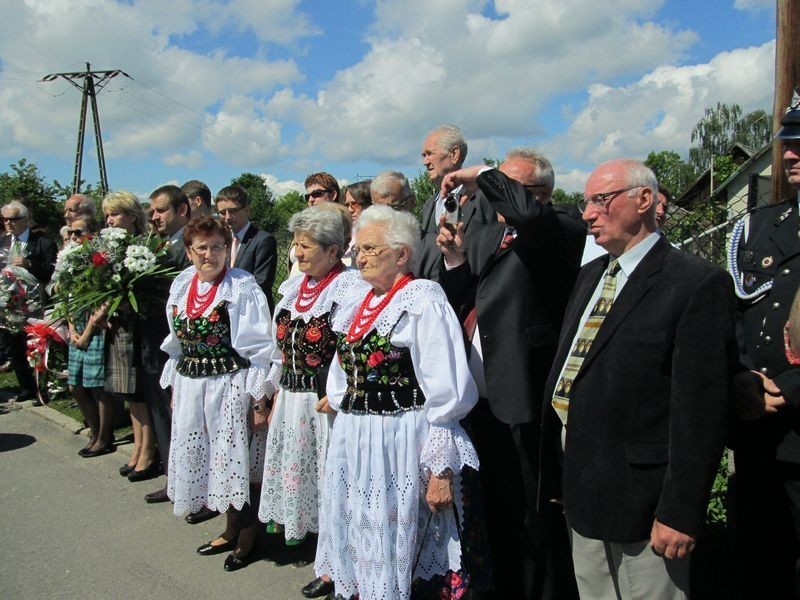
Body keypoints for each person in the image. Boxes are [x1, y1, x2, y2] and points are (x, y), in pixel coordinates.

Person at [542, 159, 737, 599]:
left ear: (644, 199)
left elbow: (700, 414)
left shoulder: (696, 284)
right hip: (584, 488)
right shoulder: (591, 276)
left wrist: (681, 511)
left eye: (601, 200)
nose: (588, 213)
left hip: (645, 503)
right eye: (585, 203)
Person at [437, 148, 582, 598]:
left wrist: (482, 174)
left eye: (506, 188)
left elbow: (524, 213)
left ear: (539, 192)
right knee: (494, 509)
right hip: (479, 395)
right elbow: (462, 298)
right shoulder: (486, 233)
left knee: (532, 517)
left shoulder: (560, 225)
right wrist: (455, 261)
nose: (495, 202)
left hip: (523, 390)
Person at [314, 205, 479, 600]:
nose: (360, 257)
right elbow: (342, 371)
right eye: (359, 249)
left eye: (370, 248)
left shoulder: (422, 298)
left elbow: (447, 384)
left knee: (403, 530)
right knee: (360, 524)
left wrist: (440, 470)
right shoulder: (360, 299)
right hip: (356, 437)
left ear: (402, 254)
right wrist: (339, 401)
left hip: (401, 437)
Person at [257, 206, 366, 597]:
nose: (296, 254)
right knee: (303, 478)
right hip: (292, 400)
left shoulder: (351, 289)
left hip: (326, 405)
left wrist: (337, 394)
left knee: (335, 483)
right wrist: (268, 394)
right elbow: (277, 349)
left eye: (305, 247)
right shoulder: (292, 289)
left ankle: (339, 568)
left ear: (334, 250)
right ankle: (321, 555)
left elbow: (353, 348)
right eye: (295, 245)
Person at [160, 215, 275, 572]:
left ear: (228, 249)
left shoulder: (241, 287)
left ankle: (248, 535)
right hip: (192, 385)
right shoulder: (182, 284)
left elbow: (260, 349)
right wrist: (177, 385)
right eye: (202, 248)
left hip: (229, 386)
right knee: (211, 461)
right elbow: (176, 343)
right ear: (189, 250)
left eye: (217, 247)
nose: (209, 254)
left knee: (233, 461)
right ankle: (229, 527)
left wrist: (259, 399)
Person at [728, 104, 800, 599]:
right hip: (756, 422)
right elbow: (735, 313)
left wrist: (788, 389)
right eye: (787, 145)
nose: (790, 154)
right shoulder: (760, 225)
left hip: (793, 413)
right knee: (756, 558)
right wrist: (740, 378)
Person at [101, 191, 160, 482]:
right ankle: (137, 448)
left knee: (140, 392)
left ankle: (148, 452)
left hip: (140, 327)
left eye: (115, 214)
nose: (109, 220)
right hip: (122, 326)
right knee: (129, 394)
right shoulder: (112, 250)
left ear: (132, 216)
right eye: (107, 215)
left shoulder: (144, 247)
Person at [142, 185, 192, 504]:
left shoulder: (188, 246)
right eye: (152, 211)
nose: (154, 216)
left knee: (178, 417)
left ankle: (182, 481)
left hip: (175, 344)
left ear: (181, 210)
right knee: (161, 411)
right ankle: (171, 476)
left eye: (161, 210)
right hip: (153, 340)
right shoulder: (156, 244)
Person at [66, 216, 117, 457]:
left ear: (93, 234)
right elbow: (64, 296)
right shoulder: (69, 259)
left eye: (79, 232)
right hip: (75, 325)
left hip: (94, 326)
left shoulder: (101, 260)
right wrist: (71, 329)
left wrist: (86, 332)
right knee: (75, 384)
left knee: (97, 386)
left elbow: (106, 299)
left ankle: (104, 437)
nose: (74, 237)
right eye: (72, 233)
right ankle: (93, 429)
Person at [417, 125, 495, 281]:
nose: (425, 162)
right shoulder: (429, 205)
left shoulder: (483, 197)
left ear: (454, 154)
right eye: (423, 155)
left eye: (430, 154)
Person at [0, 200, 57, 402]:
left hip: (35, 306)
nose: (8, 223)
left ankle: (41, 388)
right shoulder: (4, 242)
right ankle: (25, 387)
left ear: (25, 219)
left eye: (13, 219)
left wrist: (29, 264)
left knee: (35, 347)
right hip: (9, 306)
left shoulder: (42, 241)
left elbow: (51, 273)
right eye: (5, 219)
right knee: (15, 348)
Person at [215, 185, 278, 312]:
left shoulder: (263, 240)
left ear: (247, 210)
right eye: (222, 212)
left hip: (253, 312)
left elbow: (261, 283)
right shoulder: (220, 241)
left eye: (233, 211)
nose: (227, 217)